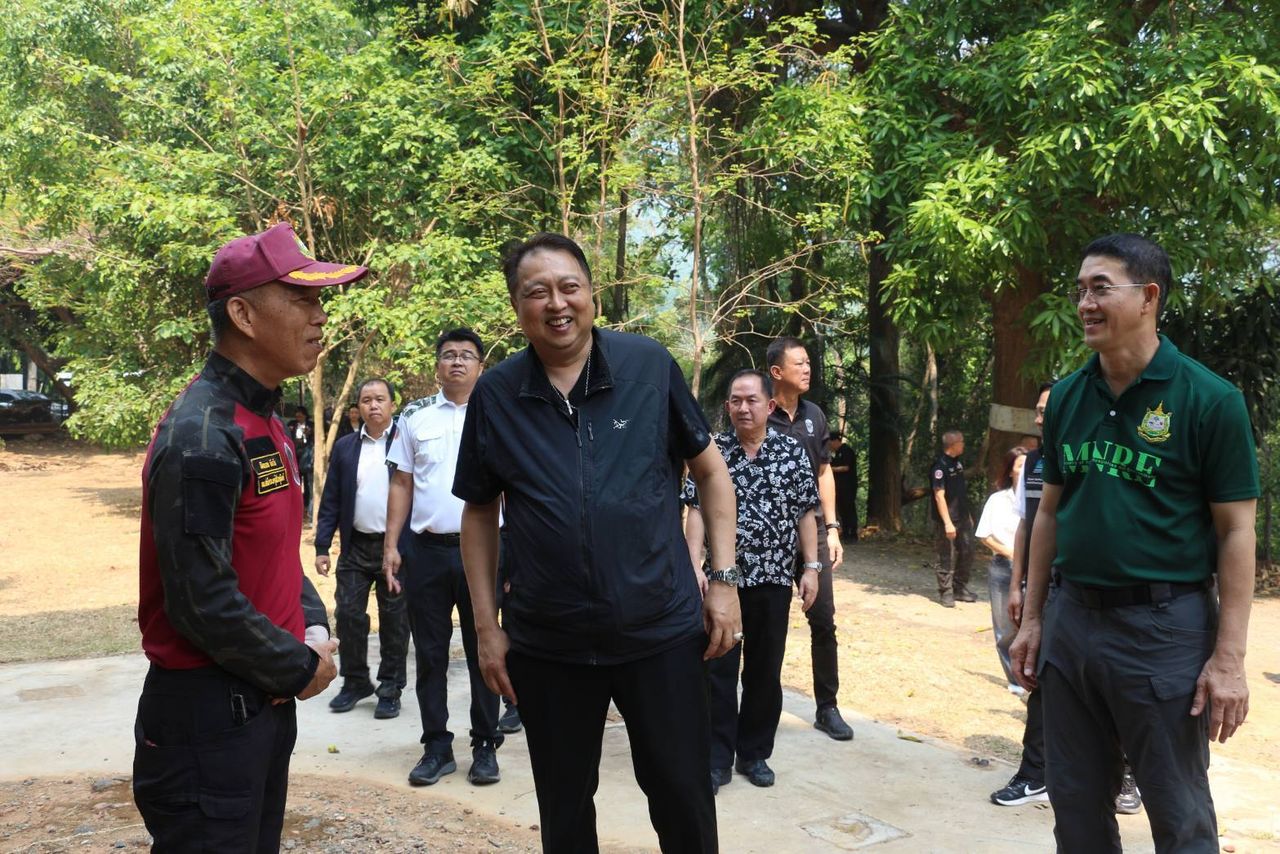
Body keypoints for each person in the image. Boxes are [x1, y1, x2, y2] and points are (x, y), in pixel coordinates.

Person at [454, 232, 740, 853]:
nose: (557, 304)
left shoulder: (648, 366)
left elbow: (711, 472)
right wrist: (485, 626)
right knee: (563, 808)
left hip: (659, 630)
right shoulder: (497, 393)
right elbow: (478, 511)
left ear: (592, 295)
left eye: (570, 287)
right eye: (537, 292)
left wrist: (724, 582)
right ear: (517, 306)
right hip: (549, 641)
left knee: (684, 797)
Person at [1010, 233, 1258, 852]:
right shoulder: (1068, 396)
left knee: (1178, 812)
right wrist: (1035, 617)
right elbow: (1049, 514)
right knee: (1075, 804)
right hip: (1072, 622)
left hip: (1164, 629)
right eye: (1079, 290)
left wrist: (1228, 659)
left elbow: (1236, 530)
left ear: (1148, 297)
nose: (1084, 304)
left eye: (1101, 288)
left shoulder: (1210, 400)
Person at [132, 221, 358, 849]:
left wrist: (311, 623)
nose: (320, 316)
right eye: (302, 299)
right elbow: (200, 599)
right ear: (243, 314)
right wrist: (298, 666)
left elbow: (274, 551)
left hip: (258, 708)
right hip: (208, 721)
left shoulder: (265, 419)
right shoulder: (203, 435)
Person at [683, 369, 820, 794]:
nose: (743, 408)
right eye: (735, 401)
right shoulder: (712, 451)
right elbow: (696, 510)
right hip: (724, 582)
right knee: (718, 668)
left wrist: (811, 568)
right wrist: (693, 564)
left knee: (765, 669)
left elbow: (805, 512)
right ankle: (716, 758)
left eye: (751, 400)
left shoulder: (791, 451)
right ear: (727, 407)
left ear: (770, 405)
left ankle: (755, 752)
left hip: (774, 579)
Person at [383, 328, 504, 787]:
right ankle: (436, 745)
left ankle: (485, 744)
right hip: (428, 551)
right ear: (437, 366)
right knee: (430, 654)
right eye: (449, 354)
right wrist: (391, 545)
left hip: (486, 552)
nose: (457, 361)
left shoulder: (499, 414)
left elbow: (515, 487)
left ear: (480, 366)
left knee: (484, 649)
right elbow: (401, 483)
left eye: (467, 355)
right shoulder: (415, 418)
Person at [766, 336, 853, 742]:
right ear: (776, 372)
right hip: (770, 533)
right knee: (768, 624)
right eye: (798, 363)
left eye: (808, 362)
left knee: (823, 620)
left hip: (813, 529)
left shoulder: (814, 414)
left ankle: (827, 707)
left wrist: (832, 529)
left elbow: (823, 473)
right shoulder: (759, 411)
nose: (807, 368)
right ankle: (762, 709)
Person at [314, 378, 410, 719]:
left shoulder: (405, 441)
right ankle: (355, 682)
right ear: (359, 407)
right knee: (348, 615)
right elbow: (331, 499)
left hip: (395, 548)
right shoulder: (345, 447)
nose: (373, 405)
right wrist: (322, 545)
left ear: (392, 404)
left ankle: (390, 687)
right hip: (356, 546)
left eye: (380, 399)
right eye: (367, 400)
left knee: (394, 620)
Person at [973, 446, 1028, 690]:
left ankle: (1032, 674)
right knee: (1006, 626)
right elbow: (984, 535)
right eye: (1020, 466)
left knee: (1031, 622)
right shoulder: (997, 500)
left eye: (1028, 465)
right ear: (1010, 471)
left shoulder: (1039, 497)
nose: (1025, 470)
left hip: (1032, 569)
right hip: (1003, 568)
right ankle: (1015, 681)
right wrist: (1009, 551)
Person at [930, 429, 976, 607]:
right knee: (945, 556)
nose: (963, 444)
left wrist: (968, 515)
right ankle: (946, 592)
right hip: (947, 520)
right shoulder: (939, 467)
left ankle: (959, 588)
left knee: (967, 551)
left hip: (962, 517)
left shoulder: (957, 463)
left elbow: (960, 493)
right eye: (961, 441)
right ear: (953, 444)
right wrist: (948, 523)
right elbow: (939, 496)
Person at [828, 431, 859, 542]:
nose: (830, 446)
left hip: (848, 486)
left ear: (836, 441)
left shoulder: (846, 451)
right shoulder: (836, 454)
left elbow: (846, 467)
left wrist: (830, 470)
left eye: (830, 443)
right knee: (842, 509)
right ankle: (845, 532)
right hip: (839, 487)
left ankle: (852, 533)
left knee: (849, 508)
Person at [287, 405, 315, 521]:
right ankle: (297, 504)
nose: (298, 416)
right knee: (296, 480)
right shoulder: (292, 424)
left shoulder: (311, 425)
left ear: (305, 415)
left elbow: (315, 438)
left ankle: (307, 506)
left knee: (308, 482)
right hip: (295, 454)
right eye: (297, 414)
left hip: (306, 455)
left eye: (300, 414)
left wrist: (309, 433)